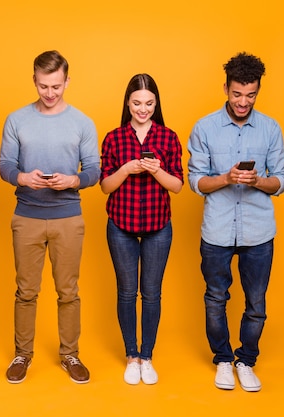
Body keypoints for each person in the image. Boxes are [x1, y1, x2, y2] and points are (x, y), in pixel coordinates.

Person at [187, 52, 284, 392]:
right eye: (236, 94)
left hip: (259, 232)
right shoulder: (204, 127)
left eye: (250, 95)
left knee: (256, 304)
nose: (243, 101)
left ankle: (246, 360)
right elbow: (197, 182)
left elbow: (282, 180)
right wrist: (227, 178)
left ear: (257, 91)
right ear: (226, 89)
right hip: (217, 230)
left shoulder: (271, 128)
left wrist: (258, 181)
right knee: (216, 298)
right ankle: (222, 360)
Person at [0, 50, 100, 384]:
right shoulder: (17, 119)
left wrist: (74, 180)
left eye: (56, 85)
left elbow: (95, 171)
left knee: (68, 291)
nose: (50, 92)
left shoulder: (82, 122)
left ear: (67, 81)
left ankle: (70, 354)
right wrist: (22, 177)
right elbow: (5, 166)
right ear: (34, 81)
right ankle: (21, 355)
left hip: (68, 216)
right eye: (44, 86)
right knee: (25, 291)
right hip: (26, 214)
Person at [100, 74, 183, 385]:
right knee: (125, 292)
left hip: (158, 226)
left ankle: (147, 356)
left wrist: (156, 169)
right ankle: (131, 355)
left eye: (149, 103)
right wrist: (127, 168)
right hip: (121, 225)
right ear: (127, 103)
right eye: (137, 103)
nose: (143, 109)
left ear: (156, 103)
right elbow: (106, 186)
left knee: (151, 294)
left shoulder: (168, 137)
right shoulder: (114, 138)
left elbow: (176, 186)